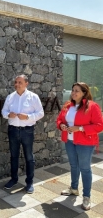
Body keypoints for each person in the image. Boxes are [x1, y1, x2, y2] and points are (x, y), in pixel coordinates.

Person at [56, 82, 103, 210]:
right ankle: (74, 188)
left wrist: (80, 128)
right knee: (73, 165)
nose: (73, 93)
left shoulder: (92, 107)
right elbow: (59, 119)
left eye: (77, 90)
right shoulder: (67, 105)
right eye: (72, 90)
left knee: (85, 168)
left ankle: (86, 196)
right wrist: (62, 125)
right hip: (69, 141)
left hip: (85, 143)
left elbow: (99, 125)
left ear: (84, 93)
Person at [1, 74, 44, 193]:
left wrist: (28, 117)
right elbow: (3, 111)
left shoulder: (33, 97)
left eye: (20, 82)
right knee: (14, 156)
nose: (17, 84)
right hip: (13, 130)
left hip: (27, 131)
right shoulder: (10, 97)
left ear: (26, 83)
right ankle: (13, 179)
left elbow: (41, 113)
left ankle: (29, 183)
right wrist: (8, 115)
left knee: (29, 157)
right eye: (15, 82)